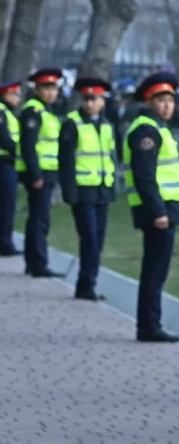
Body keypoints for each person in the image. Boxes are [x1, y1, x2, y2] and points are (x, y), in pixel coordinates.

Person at [123, 72, 179, 343]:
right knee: (154, 271)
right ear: (149, 101)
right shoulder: (146, 130)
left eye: (170, 100)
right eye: (160, 100)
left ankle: (150, 324)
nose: (166, 105)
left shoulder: (157, 128)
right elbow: (144, 176)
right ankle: (150, 326)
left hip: (165, 209)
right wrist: (158, 211)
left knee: (156, 270)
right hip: (158, 212)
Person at [59, 77, 117, 301]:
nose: (91, 103)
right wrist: (70, 194)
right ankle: (86, 284)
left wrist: (111, 188)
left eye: (95, 98)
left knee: (98, 240)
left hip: (102, 190)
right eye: (87, 98)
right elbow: (66, 161)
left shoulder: (106, 124)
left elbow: (110, 157)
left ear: (103, 101)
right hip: (83, 192)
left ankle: (88, 283)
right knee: (90, 238)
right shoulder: (72, 123)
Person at [19, 68, 64, 277]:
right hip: (40, 173)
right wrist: (35, 174)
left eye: (54, 88)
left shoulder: (47, 112)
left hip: (48, 172)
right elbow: (29, 145)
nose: (51, 93)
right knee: (40, 218)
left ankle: (33, 261)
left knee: (39, 217)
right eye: (46, 88)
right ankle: (38, 262)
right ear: (36, 89)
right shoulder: (33, 111)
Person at [0, 79, 20, 256]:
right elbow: (4, 139)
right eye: (15, 94)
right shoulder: (1, 112)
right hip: (4, 163)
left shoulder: (7, 113)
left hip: (7, 162)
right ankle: (5, 243)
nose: (18, 98)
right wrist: (20, 152)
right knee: (6, 205)